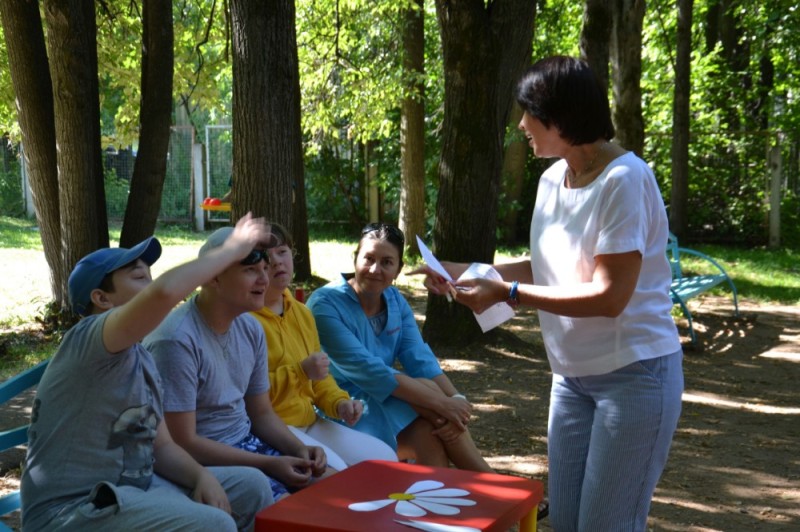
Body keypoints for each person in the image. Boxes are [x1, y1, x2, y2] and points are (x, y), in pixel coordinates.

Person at [412, 56, 683, 531]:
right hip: (570, 380)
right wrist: (456, 271)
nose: (521, 125)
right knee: (570, 523)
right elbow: (548, 265)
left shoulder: (625, 179)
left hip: (635, 377)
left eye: (529, 114)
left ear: (561, 117)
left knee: (606, 525)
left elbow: (608, 296)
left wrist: (507, 293)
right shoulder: (551, 179)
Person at [20, 214, 274, 532]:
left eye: (150, 276)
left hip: (137, 489)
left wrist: (201, 476)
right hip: (73, 510)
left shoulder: (141, 357)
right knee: (214, 525)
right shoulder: (90, 338)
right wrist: (231, 250)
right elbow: (164, 294)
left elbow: (163, 447)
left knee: (251, 486)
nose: (151, 284)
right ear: (102, 298)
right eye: (140, 277)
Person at [143, 226, 328, 502]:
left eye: (265, 269)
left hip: (249, 444)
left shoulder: (250, 328)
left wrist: (299, 449)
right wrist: (267, 464)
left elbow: (261, 414)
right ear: (214, 277)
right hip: (204, 464)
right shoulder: (176, 341)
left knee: (333, 485)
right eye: (251, 270)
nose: (264, 279)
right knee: (294, 511)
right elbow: (183, 443)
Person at [306, 222, 493, 472]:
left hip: (388, 396)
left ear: (398, 269)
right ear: (355, 259)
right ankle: (489, 480)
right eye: (368, 258)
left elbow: (419, 358)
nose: (375, 269)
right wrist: (442, 404)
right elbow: (368, 370)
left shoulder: (395, 301)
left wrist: (456, 400)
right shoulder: (325, 304)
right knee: (430, 404)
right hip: (343, 405)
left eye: (386, 262)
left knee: (430, 431)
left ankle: (445, 499)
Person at [250, 222, 398, 471]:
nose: (276, 262)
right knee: (336, 472)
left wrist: (340, 403)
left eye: (283, 252)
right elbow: (249, 396)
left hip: (310, 420)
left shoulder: (301, 312)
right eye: (266, 256)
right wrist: (300, 372)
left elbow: (321, 376)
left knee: (385, 460)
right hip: (272, 427)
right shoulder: (246, 319)